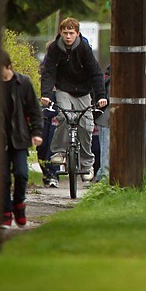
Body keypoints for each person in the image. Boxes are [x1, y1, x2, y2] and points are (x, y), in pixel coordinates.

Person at [40, 18, 107, 182]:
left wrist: (101, 96)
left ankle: (86, 165)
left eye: (71, 33)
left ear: (77, 34)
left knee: (86, 125)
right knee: (64, 116)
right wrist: (46, 95)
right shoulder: (55, 48)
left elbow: (96, 73)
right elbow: (48, 72)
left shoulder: (84, 48)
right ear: (60, 33)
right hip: (64, 89)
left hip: (84, 91)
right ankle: (60, 151)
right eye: (65, 33)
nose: (68, 36)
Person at [1, 50, 43, 229]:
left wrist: (37, 132)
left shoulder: (23, 83)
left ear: (8, 66)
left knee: (21, 173)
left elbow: (34, 109)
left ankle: (19, 204)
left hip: (19, 137)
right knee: (2, 178)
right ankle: (5, 211)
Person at [94, 64, 111, 181]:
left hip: (103, 119)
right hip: (105, 119)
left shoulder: (105, 82)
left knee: (106, 149)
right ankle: (104, 177)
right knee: (105, 149)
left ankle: (101, 176)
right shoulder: (109, 83)